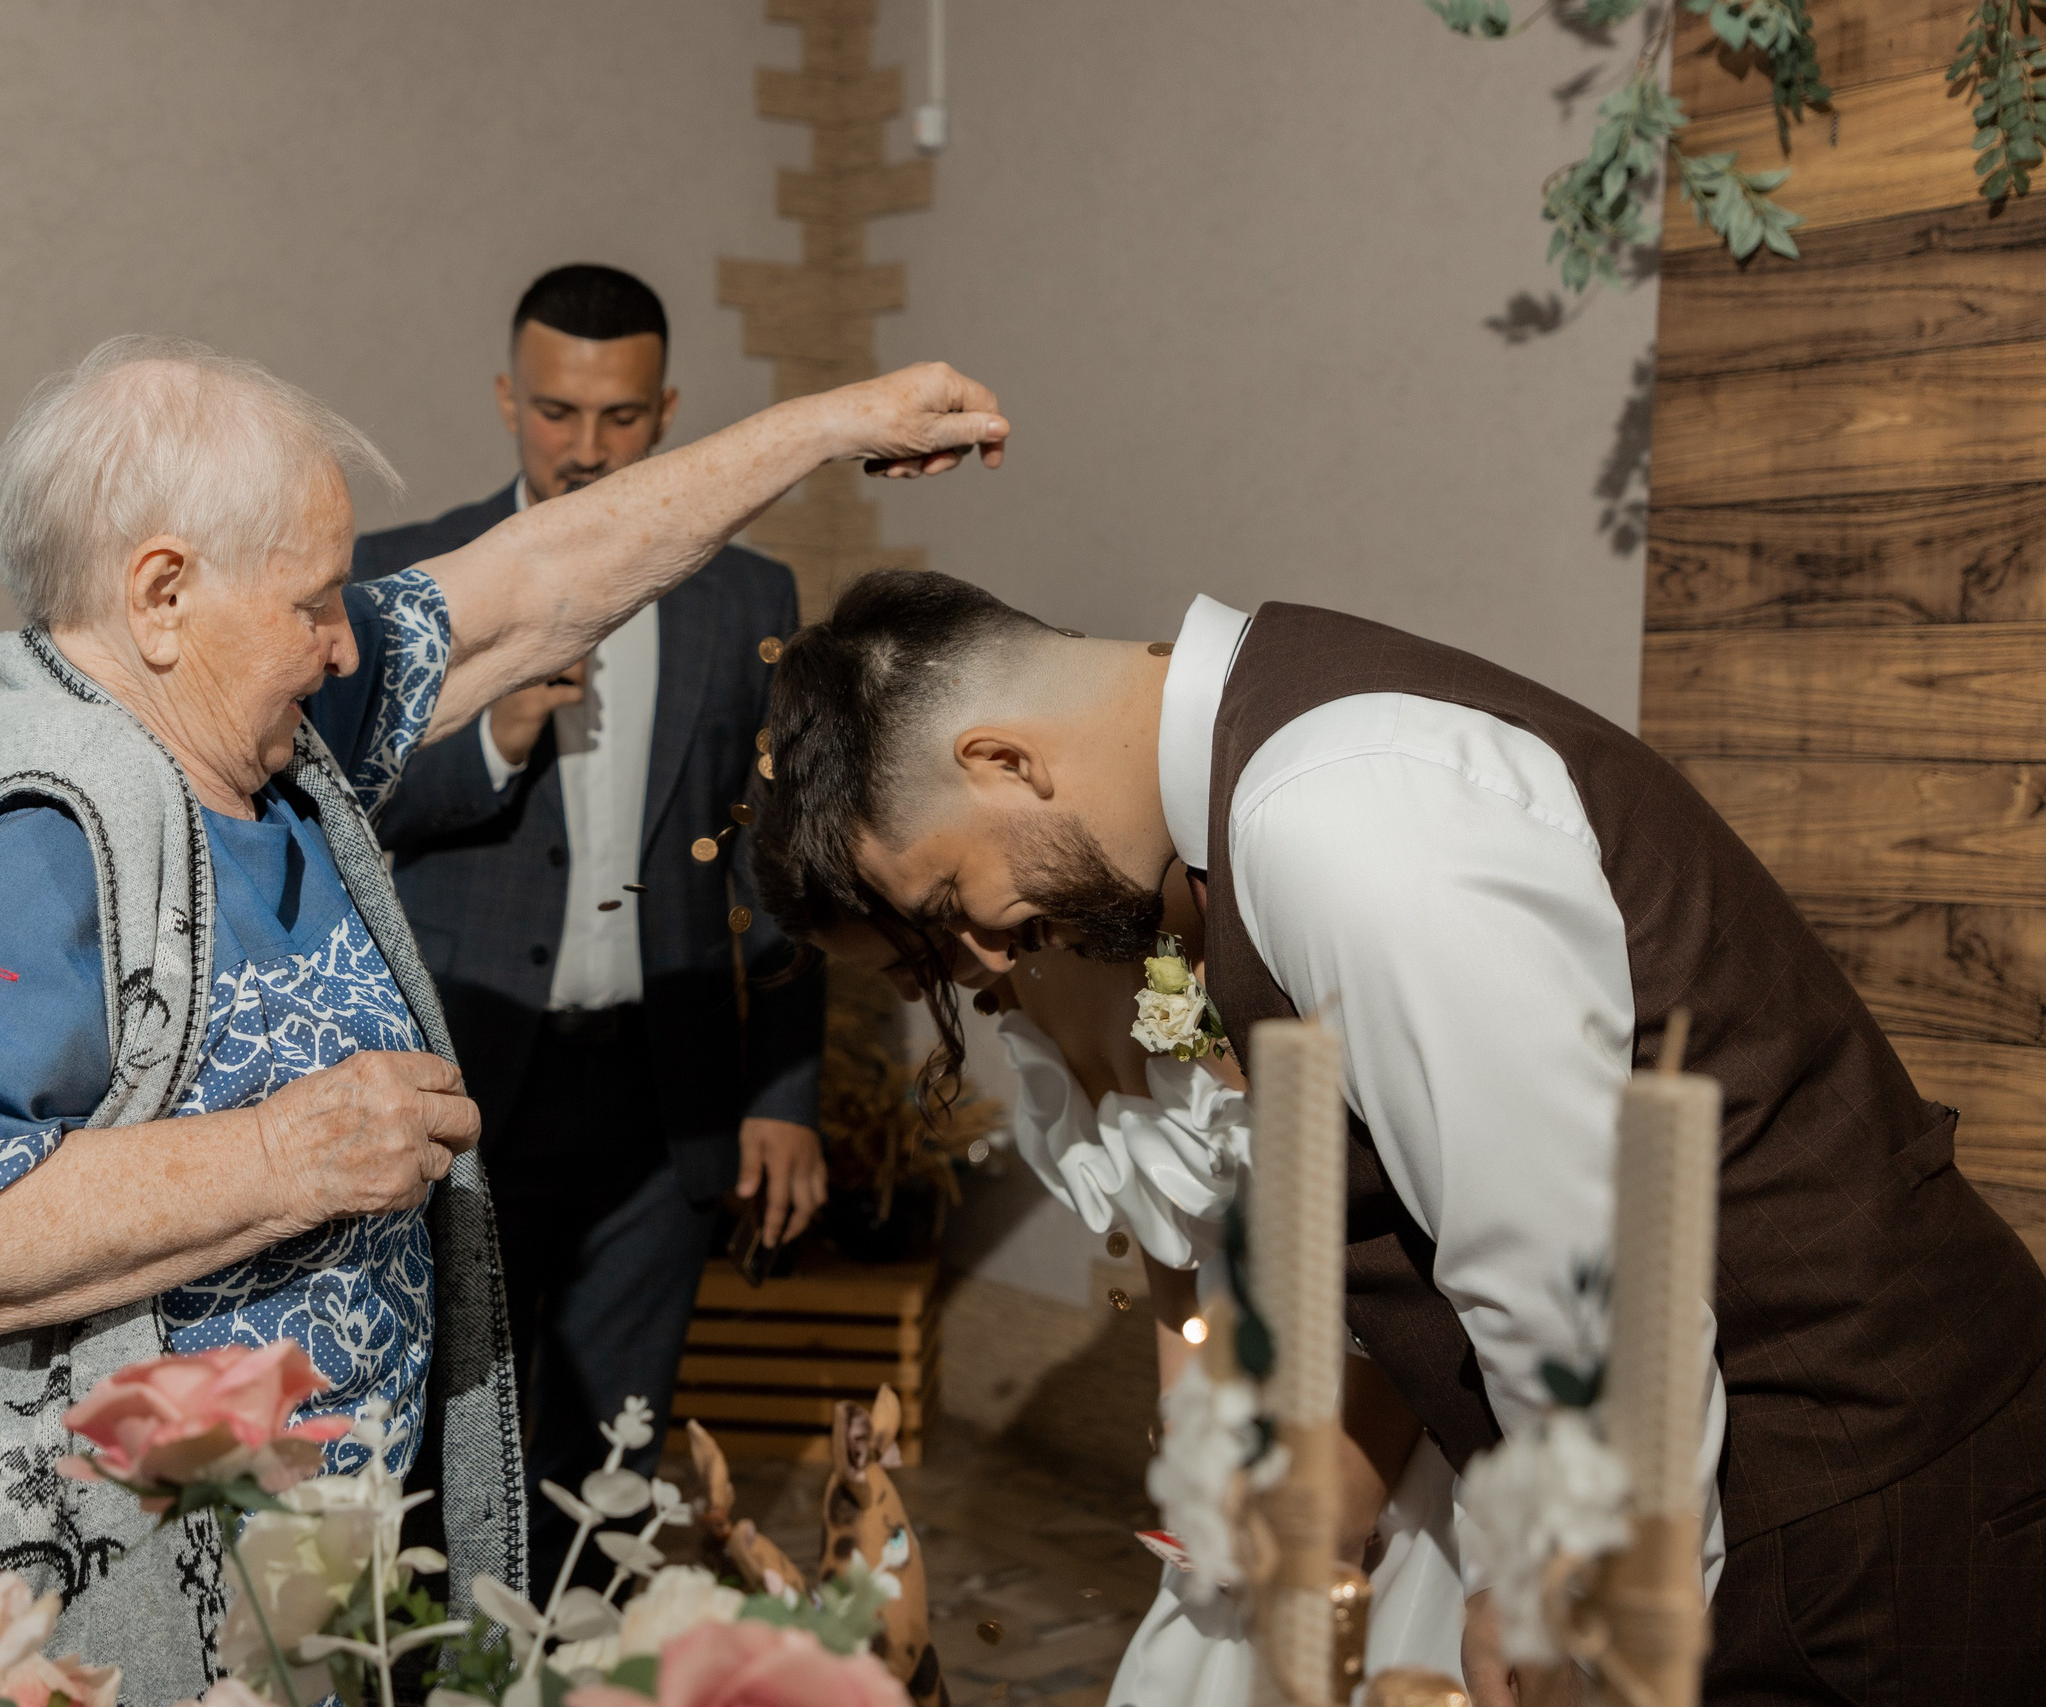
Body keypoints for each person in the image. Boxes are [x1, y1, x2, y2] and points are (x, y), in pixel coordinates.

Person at [0, 339, 1004, 1702]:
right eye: (316, 598)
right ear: (162, 592)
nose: (344, 638)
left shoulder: (245, 716)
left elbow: (537, 585)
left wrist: (827, 424)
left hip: (307, 1573)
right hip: (142, 1607)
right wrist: (283, 1158)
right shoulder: (43, 828)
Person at [754, 571, 2046, 1705]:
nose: (982, 949)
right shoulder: (1273, 781)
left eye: (951, 896)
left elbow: (1555, 1246)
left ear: (1004, 760)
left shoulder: (1335, 813)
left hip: (1857, 1489)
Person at [357, 265, 826, 1598]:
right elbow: (339, 810)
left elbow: (773, 861)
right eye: (556, 411)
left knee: (608, 1456)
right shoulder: (410, 578)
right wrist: (493, 737)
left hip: (657, 1093)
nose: (584, 447)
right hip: (460, 1087)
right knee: (437, 1447)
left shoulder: (750, 597)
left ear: (667, 410)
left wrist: (784, 1090)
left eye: (620, 417)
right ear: (510, 398)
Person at [784, 877, 1466, 1703]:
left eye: (899, 958)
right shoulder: (1015, 982)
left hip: (1395, 1380)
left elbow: (1411, 1223)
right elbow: (1167, 1219)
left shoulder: (1189, 959)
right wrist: (1182, 1397)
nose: (900, 989)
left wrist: (1348, 1485)